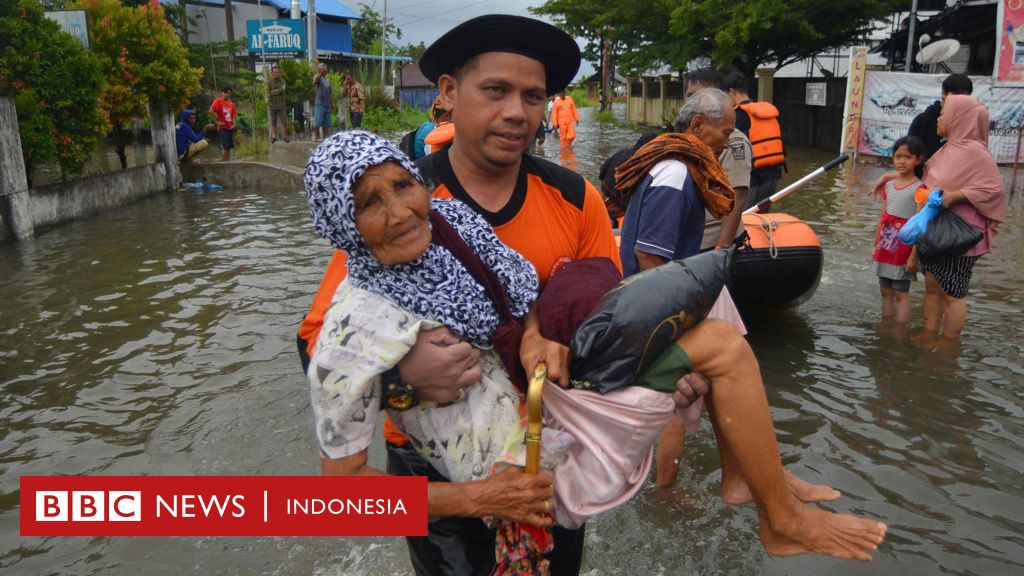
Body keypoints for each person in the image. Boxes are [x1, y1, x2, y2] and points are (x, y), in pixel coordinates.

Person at [305, 131, 888, 567]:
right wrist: (474, 486)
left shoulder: (477, 216)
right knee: (716, 344)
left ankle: (759, 486)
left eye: (402, 186)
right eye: (368, 203)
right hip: (496, 472)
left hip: (548, 405)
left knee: (714, 309)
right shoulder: (354, 326)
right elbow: (341, 493)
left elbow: (519, 290)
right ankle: (778, 514)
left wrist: (535, 334)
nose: (400, 211)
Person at [297, 15, 626, 574]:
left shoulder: (575, 197)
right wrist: (404, 376)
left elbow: (609, 316)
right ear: (448, 93)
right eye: (495, 90)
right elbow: (318, 343)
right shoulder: (396, 210)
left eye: (533, 96)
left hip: (542, 438)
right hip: (430, 465)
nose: (516, 112)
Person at [614, 88, 746, 488]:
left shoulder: (681, 167)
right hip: (666, 299)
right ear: (697, 126)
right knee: (679, 395)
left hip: (679, 287)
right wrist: (678, 325)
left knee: (707, 384)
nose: (727, 143)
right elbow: (651, 256)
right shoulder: (674, 173)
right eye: (724, 133)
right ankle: (668, 491)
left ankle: (722, 473)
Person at [916, 95, 1006, 339]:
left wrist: (955, 196)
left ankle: (949, 343)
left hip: (958, 236)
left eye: (943, 113)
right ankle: (929, 332)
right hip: (935, 231)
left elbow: (993, 190)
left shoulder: (976, 152)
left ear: (958, 118)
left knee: (952, 294)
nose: (939, 118)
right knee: (933, 287)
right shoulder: (949, 149)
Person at [685, 68, 753, 250]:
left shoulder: (732, 141)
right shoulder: (683, 139)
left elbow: (736, 198)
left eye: (700, 97)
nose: (693, 102)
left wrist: (721, 251)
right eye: (690, 95)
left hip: (709, 241)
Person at [873, 136, 925, 324]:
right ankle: (886, 326)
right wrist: (875, 243)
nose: (902, 161)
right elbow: (883, 216)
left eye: (908, 157)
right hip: (886, 243)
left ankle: (899, 330)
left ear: (917, 159)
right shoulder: (888, 186)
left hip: (904, 246)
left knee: (901, 292)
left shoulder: (920, 188)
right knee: (885, 289)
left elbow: (919, 223)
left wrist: (914, 255)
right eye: (898, 156)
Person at [722, 69, 784, 211]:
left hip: (753, 178)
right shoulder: (763, 111)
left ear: (732, 92)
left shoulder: (739, 115)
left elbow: (733, 151)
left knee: (745, 218)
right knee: (762, 217)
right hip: (773, 174)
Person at [907, 73, 972, 162]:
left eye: (966, 98)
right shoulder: (923, 120)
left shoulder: (966, 122)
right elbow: (910, 153)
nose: (962, 102)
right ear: (944, 93)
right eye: (958, 97)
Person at [209, 87, 236, 161]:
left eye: (229, 93)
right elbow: (211, 111)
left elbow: (233, 116)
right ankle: (224, 164)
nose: (228, 94)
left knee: (229, 147)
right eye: (226, 93)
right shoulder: (218, 101)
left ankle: (228, 163)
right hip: (222, 127)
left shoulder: (231, 104)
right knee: (224, 147)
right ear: (222, 93)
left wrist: (234, 124)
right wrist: (217, 120)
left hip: (230, 128)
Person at [266, 64, 289, 143]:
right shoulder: (269, 82)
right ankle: (275, 136)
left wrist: (272, 92)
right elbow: (267, 92)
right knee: (273, 121)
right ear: (272, 73)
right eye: (275, 72)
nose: (276, 74)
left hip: (281, 104)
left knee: (284, 121)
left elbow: (282, 90)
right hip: (273, 105)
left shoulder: (283, 81)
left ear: (279, 73)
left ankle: (285, 136)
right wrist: (269, 97)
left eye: (277, 72)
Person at [313, 63, 334, 140]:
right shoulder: (317, 77)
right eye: (322, 69)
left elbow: (330, 93)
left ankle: (325, 138)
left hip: (327, 105)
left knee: (327, 124)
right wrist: (320, 74)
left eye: (325, 69)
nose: (324, 70)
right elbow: (315, 82)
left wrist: (332, 104)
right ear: (319, 70)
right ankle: (317, 137)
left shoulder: (328, 80)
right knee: (318, 122)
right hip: (319, 104)